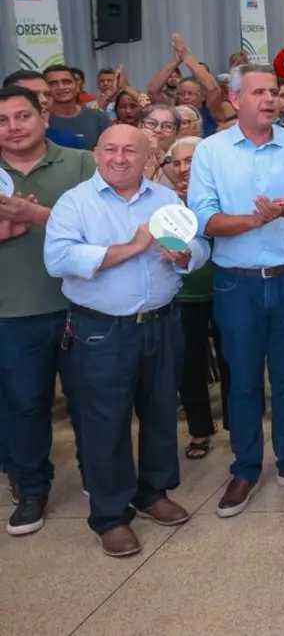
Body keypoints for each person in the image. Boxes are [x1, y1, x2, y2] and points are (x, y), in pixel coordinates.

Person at [43, 124, 211, 556]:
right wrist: (131, 248)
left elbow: (199, 245)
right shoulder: (75, 202)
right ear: (97, 153)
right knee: (106, 423)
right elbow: (58, 258)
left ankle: (153, 492)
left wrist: (186, 255)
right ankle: (111, 515)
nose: (119, 158)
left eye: (130, 151)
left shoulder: (165, 199)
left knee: (160, 411)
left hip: (161, 322)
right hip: (102, 330)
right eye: (111, 150)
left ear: (148, 157)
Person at [186, 63, 284, 518]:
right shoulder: (210, 151)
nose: (270, 99)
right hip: (237, 281)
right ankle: (245, 468)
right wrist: (255, 220)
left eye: (274, 92)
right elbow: (203, 217)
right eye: (259, 93)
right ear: (234, 99)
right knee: (244, 380)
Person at [0, 85, 95, 537]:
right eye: (2, 121)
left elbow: (100, 226)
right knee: (24, 405)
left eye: (22, 116)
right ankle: (32, 488)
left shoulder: (80, 163)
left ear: (44, 116)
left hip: (83, 307)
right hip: (12, 312)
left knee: (90, 402)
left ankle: (99, 477)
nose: (13, 128)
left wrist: (33, 214)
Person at [164, 137, 231, 462]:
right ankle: (199, 429)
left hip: (227, 287)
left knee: (234, 359)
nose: (183, 168)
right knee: (188, 364)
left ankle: (239, 425)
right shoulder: (164, 203)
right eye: (176, 163)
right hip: (185, 293)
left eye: (190, 160)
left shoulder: (225, 194)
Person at [43, 65, 110, 149]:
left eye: (66, 82)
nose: (61, 87)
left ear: (77, 86)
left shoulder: (98, 118)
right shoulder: (41, 120)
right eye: (53, 83)